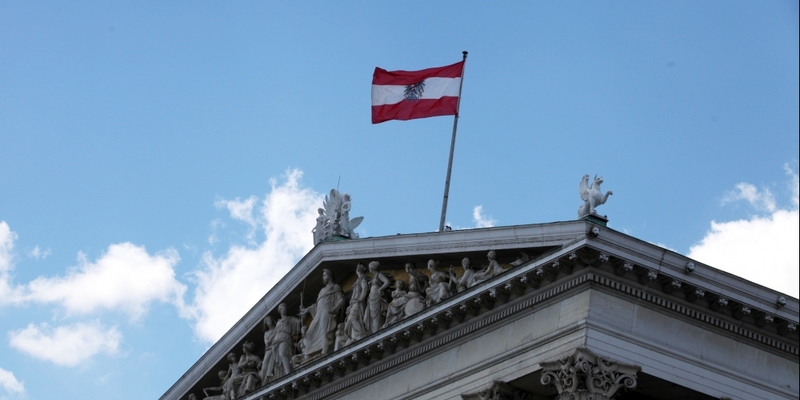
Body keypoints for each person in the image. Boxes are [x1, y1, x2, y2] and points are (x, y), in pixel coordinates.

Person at [300, 269, 345, 358]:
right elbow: (317, 305)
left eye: (324, 275)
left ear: (329, 276)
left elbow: (341, 298)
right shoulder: (322, 290)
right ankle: (309, 353)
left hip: (327, 311)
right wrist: (307, 310)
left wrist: (336, 307)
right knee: (309, 333)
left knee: (325, 330)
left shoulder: (335, 287)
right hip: (319, 313)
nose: (322, 277)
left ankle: (324, 351)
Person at [272, 303, 302, 379]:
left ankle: (288, 373)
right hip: (276, 341)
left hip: (285, 338)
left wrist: (302, 311)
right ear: (279, 311)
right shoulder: (278, 322)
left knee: (282, 354)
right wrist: (268, 342)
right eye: (282, 309)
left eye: (285, 308)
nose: (283, 310)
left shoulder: (290, 319)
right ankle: (283, 374)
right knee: (278, 360)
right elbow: (274, 333)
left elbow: (300, 322)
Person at [364, 261, 391, 334]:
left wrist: (380, 289)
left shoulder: (379, 275)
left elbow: (387, 282)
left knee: (376, 314)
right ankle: (372, 332)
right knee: (372, 315)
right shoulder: (374, 277)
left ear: (371, 268)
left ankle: (376, 331)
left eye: (369, 267)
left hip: (376, 297)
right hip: (371, 298)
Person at [344, 263, 368, 341]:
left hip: (358, 303)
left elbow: (365, 289)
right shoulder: (358, 280)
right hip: (354, 303)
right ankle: (354, 337)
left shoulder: (362, 279)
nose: (359, 270)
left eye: (359, 269)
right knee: (351, 319)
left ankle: (361, 335)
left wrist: (360, 299)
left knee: (352, 318)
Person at [259, 316, 277, 384]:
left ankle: (271, 373)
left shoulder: (277, 328)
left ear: (272, 320)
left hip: (276, 346)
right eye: (267, 321)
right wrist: (274, 335)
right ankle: (264, 381)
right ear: (265, 324)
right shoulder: (266, 333)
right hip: (269, 349)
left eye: (270, 320)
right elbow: (267, 343)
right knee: (264, 367)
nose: (269, 322)